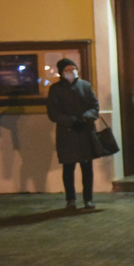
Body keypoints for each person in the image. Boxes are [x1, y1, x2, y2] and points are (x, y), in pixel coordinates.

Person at [46, 58, 100, 210]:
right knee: (68, 168)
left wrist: (85, 118)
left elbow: (94, 106)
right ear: (61, 72)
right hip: (67, 133)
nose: (71, 72)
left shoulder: (85, 86)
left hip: (85, 131)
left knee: (87, 168)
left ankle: (88, 199)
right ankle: (71, 199)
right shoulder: (55, 89)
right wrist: (70, 121)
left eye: (73, 69)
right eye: (67, 70)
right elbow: (53, 112)